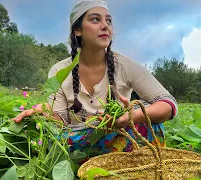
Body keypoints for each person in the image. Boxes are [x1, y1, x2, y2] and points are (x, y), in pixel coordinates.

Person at [13, 0, 177, 154]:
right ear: (78, 30)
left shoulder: (125, 65)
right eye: (95, 20)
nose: (105, 26)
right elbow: (61, 123)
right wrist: (46, 112)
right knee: (48, 137)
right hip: (80, 145)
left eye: (109, 21)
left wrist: (132, 116)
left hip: (119, 138)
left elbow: (168, 104)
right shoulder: (59, 70)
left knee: (150, 122)